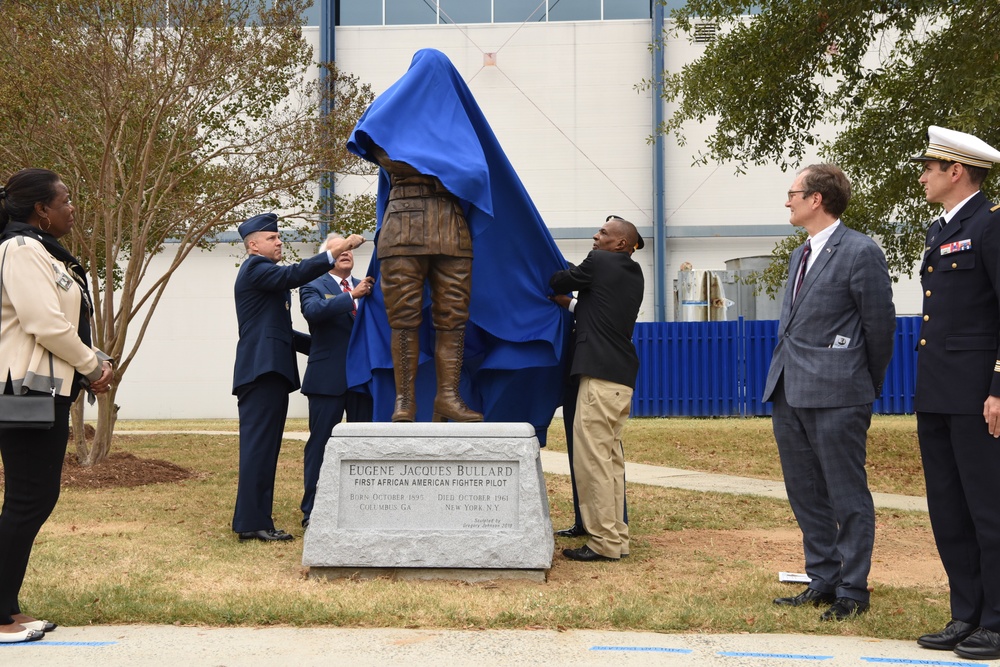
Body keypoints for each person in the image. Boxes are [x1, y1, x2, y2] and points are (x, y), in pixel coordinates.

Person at [346, 48, 572, 436]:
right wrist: (439, 168)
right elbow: (375, 146)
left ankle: (448, 395)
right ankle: (405, 400)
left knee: (453, 317)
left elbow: (475, 174)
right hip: (403, 228)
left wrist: (429, 167)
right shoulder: (388, 111)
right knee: (404, 316)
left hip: (452, 231)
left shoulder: (459, 123)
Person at [762, 164, 896, 621]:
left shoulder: (860, 251)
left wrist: (863, 386)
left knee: (846, 494)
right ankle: (823, 578)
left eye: (792, 192)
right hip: (788, 389)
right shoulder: (801, 254)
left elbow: (880, 327)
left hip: (840, 394)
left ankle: (852, 590)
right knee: (805, 492)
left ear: (816, 199)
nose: (787, 201)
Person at [0, 169, 113, 644]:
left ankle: (7, 607)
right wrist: (91, 365)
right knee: (30, 498)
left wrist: (91, 361)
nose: (72, 208)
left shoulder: (41, 250)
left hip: (41, 390)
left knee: (33, 498)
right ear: (40, 209)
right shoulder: (21, 250)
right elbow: (43, 322)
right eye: (65, 200)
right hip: (22, 391)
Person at [909, 126, 1000, 660]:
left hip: (977, 395)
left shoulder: (990, 227)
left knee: (988, 509)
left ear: (956, 172)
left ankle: (996, 619)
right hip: (939, 390)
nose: (922, 177)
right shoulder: (942, 229)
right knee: (949, 509)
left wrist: (997, 387)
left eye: (929, 168)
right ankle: (966, 613)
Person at [231, 213, 364, 542]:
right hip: (261, 371)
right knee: (259, 448)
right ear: (254, 245)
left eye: (279, 237)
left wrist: (321, 347)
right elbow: (295, 274)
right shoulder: (256, 268)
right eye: (272, 238)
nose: (279, 242)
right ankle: (251, 523)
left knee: (264, 448)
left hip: (269, 371)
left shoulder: (262, 275)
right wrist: (339, 249)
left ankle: (256, 520)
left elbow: (283, 334)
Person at [549, 215, 644, 562]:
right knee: (610, 461)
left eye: (604, 232)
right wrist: (572, 304)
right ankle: (616, 538)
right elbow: (599, 311)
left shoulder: (600, 261)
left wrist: (563, 280)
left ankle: (603, 543)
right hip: (619, 379)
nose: (595, 235)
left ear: (620, 243)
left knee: (593, 463)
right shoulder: (630, 273)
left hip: (599, 379)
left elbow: (558, 279)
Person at [298, 233, 374, 527]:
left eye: (351, 249)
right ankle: (313, 511)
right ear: (326, 255)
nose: (347, 252)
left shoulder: (367, 285)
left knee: (363, 444)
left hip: (362, 381)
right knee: (320, 444)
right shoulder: (313, 285)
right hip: (326, 379)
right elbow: (314, 312)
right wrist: (350, 297)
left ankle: (361, 508)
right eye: (340, 248)